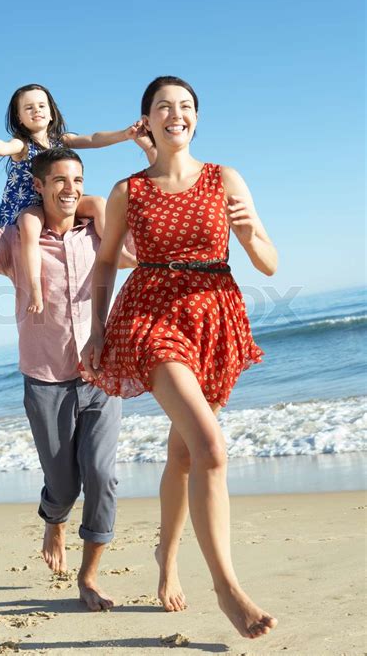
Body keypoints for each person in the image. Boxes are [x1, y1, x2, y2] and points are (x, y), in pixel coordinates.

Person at [81, 75, 279, 638]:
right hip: (151, 316)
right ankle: (228, 587)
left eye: (186, 106)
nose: (177, 113)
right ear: (146, 120)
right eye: (163, 106)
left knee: (186, 455)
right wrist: (97, 330)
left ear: (196, 118)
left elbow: (268, 262)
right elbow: (103, 265)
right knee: (211, 448)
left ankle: (165, 561)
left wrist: (247, 235)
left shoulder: (225, 178)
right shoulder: (129, 190)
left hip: (215, 319)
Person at [0, 142, 130, 611]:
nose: (71, 189)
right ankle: (54, 517)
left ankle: (88, 576)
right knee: (63, 486)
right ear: (39, 186)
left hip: (102, 376)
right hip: (45, 380)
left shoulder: (98, 234)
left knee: (102, 474)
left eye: (78, 181)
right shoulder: (14, 242)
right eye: (60, 180)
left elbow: (141, 254)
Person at [0, 83, 152, 313]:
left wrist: (125, 135)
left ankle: (118, 254)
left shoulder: (60, 140)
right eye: (29, 108)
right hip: (30, 204)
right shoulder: (21, 144)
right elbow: (3, 147)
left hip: (62, 200)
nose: (37, 110)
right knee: (29, 226)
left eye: (41, 105)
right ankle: (34, 289)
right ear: (19, 117)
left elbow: (93, 139)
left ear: (51, 110)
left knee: (97, 202)